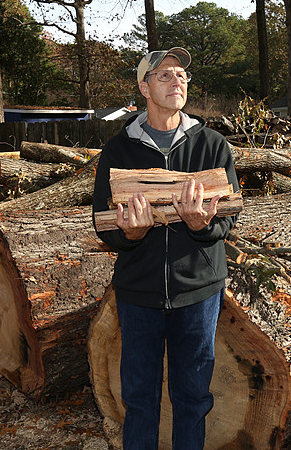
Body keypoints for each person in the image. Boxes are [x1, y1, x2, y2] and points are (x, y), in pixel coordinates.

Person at [92, 47, 239, 449]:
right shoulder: (118, 151)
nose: (177, 81)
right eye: (164, 75)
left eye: (182, 76)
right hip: (139, 293)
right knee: (139, 399)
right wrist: (132, 235)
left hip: (198, 289)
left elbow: (228, 216)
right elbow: (103, 225)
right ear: (144, 87)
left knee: (192, 398)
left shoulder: (211, 145)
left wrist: (201, 226)